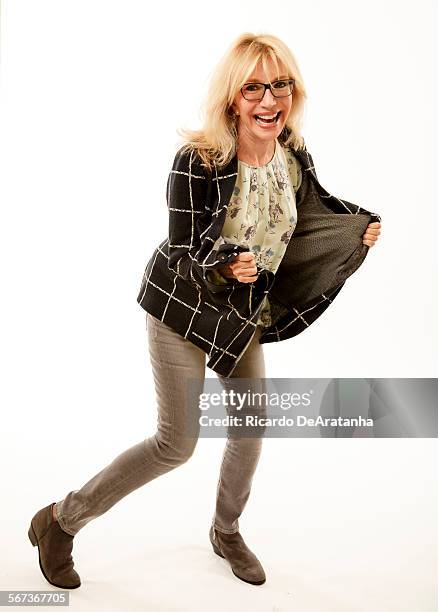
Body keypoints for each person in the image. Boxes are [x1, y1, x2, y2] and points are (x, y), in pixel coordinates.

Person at [28, 32, 381, 591]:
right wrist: (221, 270)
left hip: (241, 316)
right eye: (254, 88)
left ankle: (226, 531)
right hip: (182, 310)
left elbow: (309, 208)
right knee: (177, 444)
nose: (270, 100)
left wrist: (354, 229)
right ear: (231, 98)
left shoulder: (292, 152)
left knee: (250, 426)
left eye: (280, 85)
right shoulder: (197, 161)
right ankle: (60, 520)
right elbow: (181, 251)